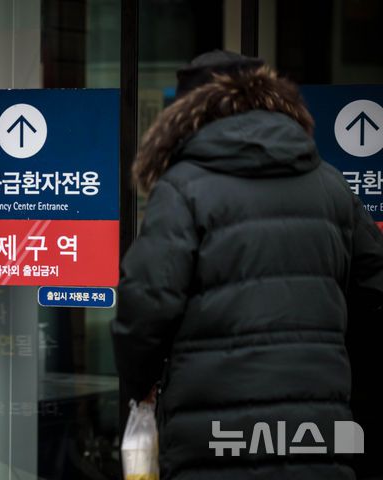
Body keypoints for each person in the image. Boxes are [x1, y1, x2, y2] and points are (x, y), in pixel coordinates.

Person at [112, 50, 383, 480]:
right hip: (316, 430)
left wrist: (138, 389)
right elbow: (374, 293)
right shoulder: (331, 184)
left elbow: (145, 306)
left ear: (183, 117)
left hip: (211, 434)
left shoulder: (182, 189)